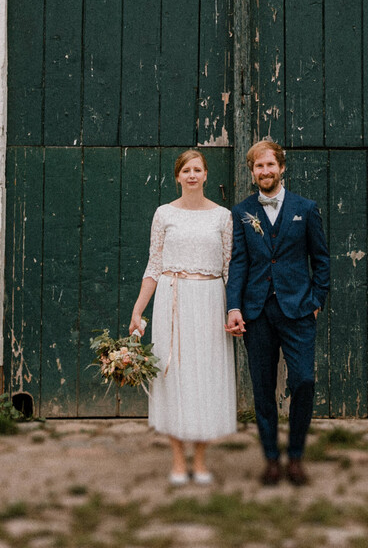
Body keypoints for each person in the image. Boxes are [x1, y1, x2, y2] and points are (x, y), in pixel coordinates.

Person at [226, 138, 330, 487]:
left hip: (298, 309)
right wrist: (235, 306)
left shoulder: (306, 208)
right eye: (259, 166)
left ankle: (296, 456)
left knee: (303, 380)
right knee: (262, 387)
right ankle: (271, 458)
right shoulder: (242, 213)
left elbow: (322, 259)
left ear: (281, 167)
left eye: (270, 165)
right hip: (256, 312)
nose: (265, 171)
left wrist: (316, 300)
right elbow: (238, 263)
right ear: (252, 172)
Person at [129, 148, 236, 484]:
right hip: (172, 300)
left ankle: (201, 460)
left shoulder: (222, 216)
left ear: (206, 175)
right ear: (177, 176)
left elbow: (231, 268)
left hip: (209, 301)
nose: (192, 175)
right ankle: (177, 459)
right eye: (186, 170)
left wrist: (235, 309)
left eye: (198, 169)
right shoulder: (164, 214)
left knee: (206, 376)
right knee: (173, 376)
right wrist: (138, 308)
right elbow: (154, 264)